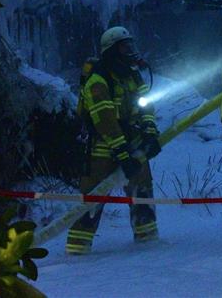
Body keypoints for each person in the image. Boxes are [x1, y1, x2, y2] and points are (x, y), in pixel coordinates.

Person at [66, 26, 160, 255]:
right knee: (92, 199)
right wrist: (121, 151)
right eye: (124, 46)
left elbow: (145, 104)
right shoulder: (98, 80)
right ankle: (77, 252)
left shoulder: (133, 76)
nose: (130, 51)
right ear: (111, 51)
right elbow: (105, 120)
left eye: (131, 45)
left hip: (134, 144)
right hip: (102, 149)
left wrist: (150, 131)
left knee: (143, 191)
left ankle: (148, 244)